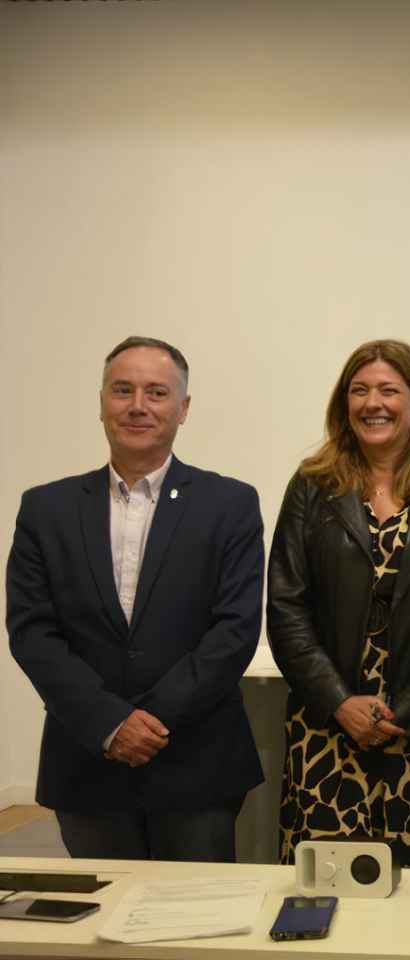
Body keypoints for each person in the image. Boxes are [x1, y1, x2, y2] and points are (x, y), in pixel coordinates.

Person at [6, 336, 264, 861]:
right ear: (101, 402)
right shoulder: (45, 508)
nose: (138, 406)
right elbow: (32, 632)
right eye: (122, 390)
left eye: (157, 392)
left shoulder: (230, 503)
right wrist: (109, 723)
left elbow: (235, 629)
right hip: (87, 762)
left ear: (183, 408)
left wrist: (148, 722)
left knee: (195, 933)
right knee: (97, 933)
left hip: (196, 764)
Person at [267, 339, 410, 869]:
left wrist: (401, 713)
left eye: (389, 390)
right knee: (326, 894)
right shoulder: (312, 487)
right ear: (344, 404)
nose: (373, 403)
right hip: (327, 727)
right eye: (359, 391)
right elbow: (285, 608)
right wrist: (341, 703)